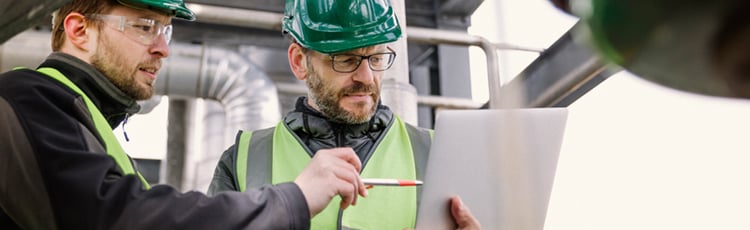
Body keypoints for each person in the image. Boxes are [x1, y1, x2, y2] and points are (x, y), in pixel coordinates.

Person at [0, 0, 370, 229]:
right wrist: (294, 200)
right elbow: (126, 219)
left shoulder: (86, 121)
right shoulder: (27, 100)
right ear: (79, 30)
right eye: (145, 27)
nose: (163, 48)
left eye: (166, 31)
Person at [208, 0, 481, 229]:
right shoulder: (243, 161)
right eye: (346, 60)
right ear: (299, 62)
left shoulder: (437, 154)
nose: (366, 77)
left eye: (376, 58)